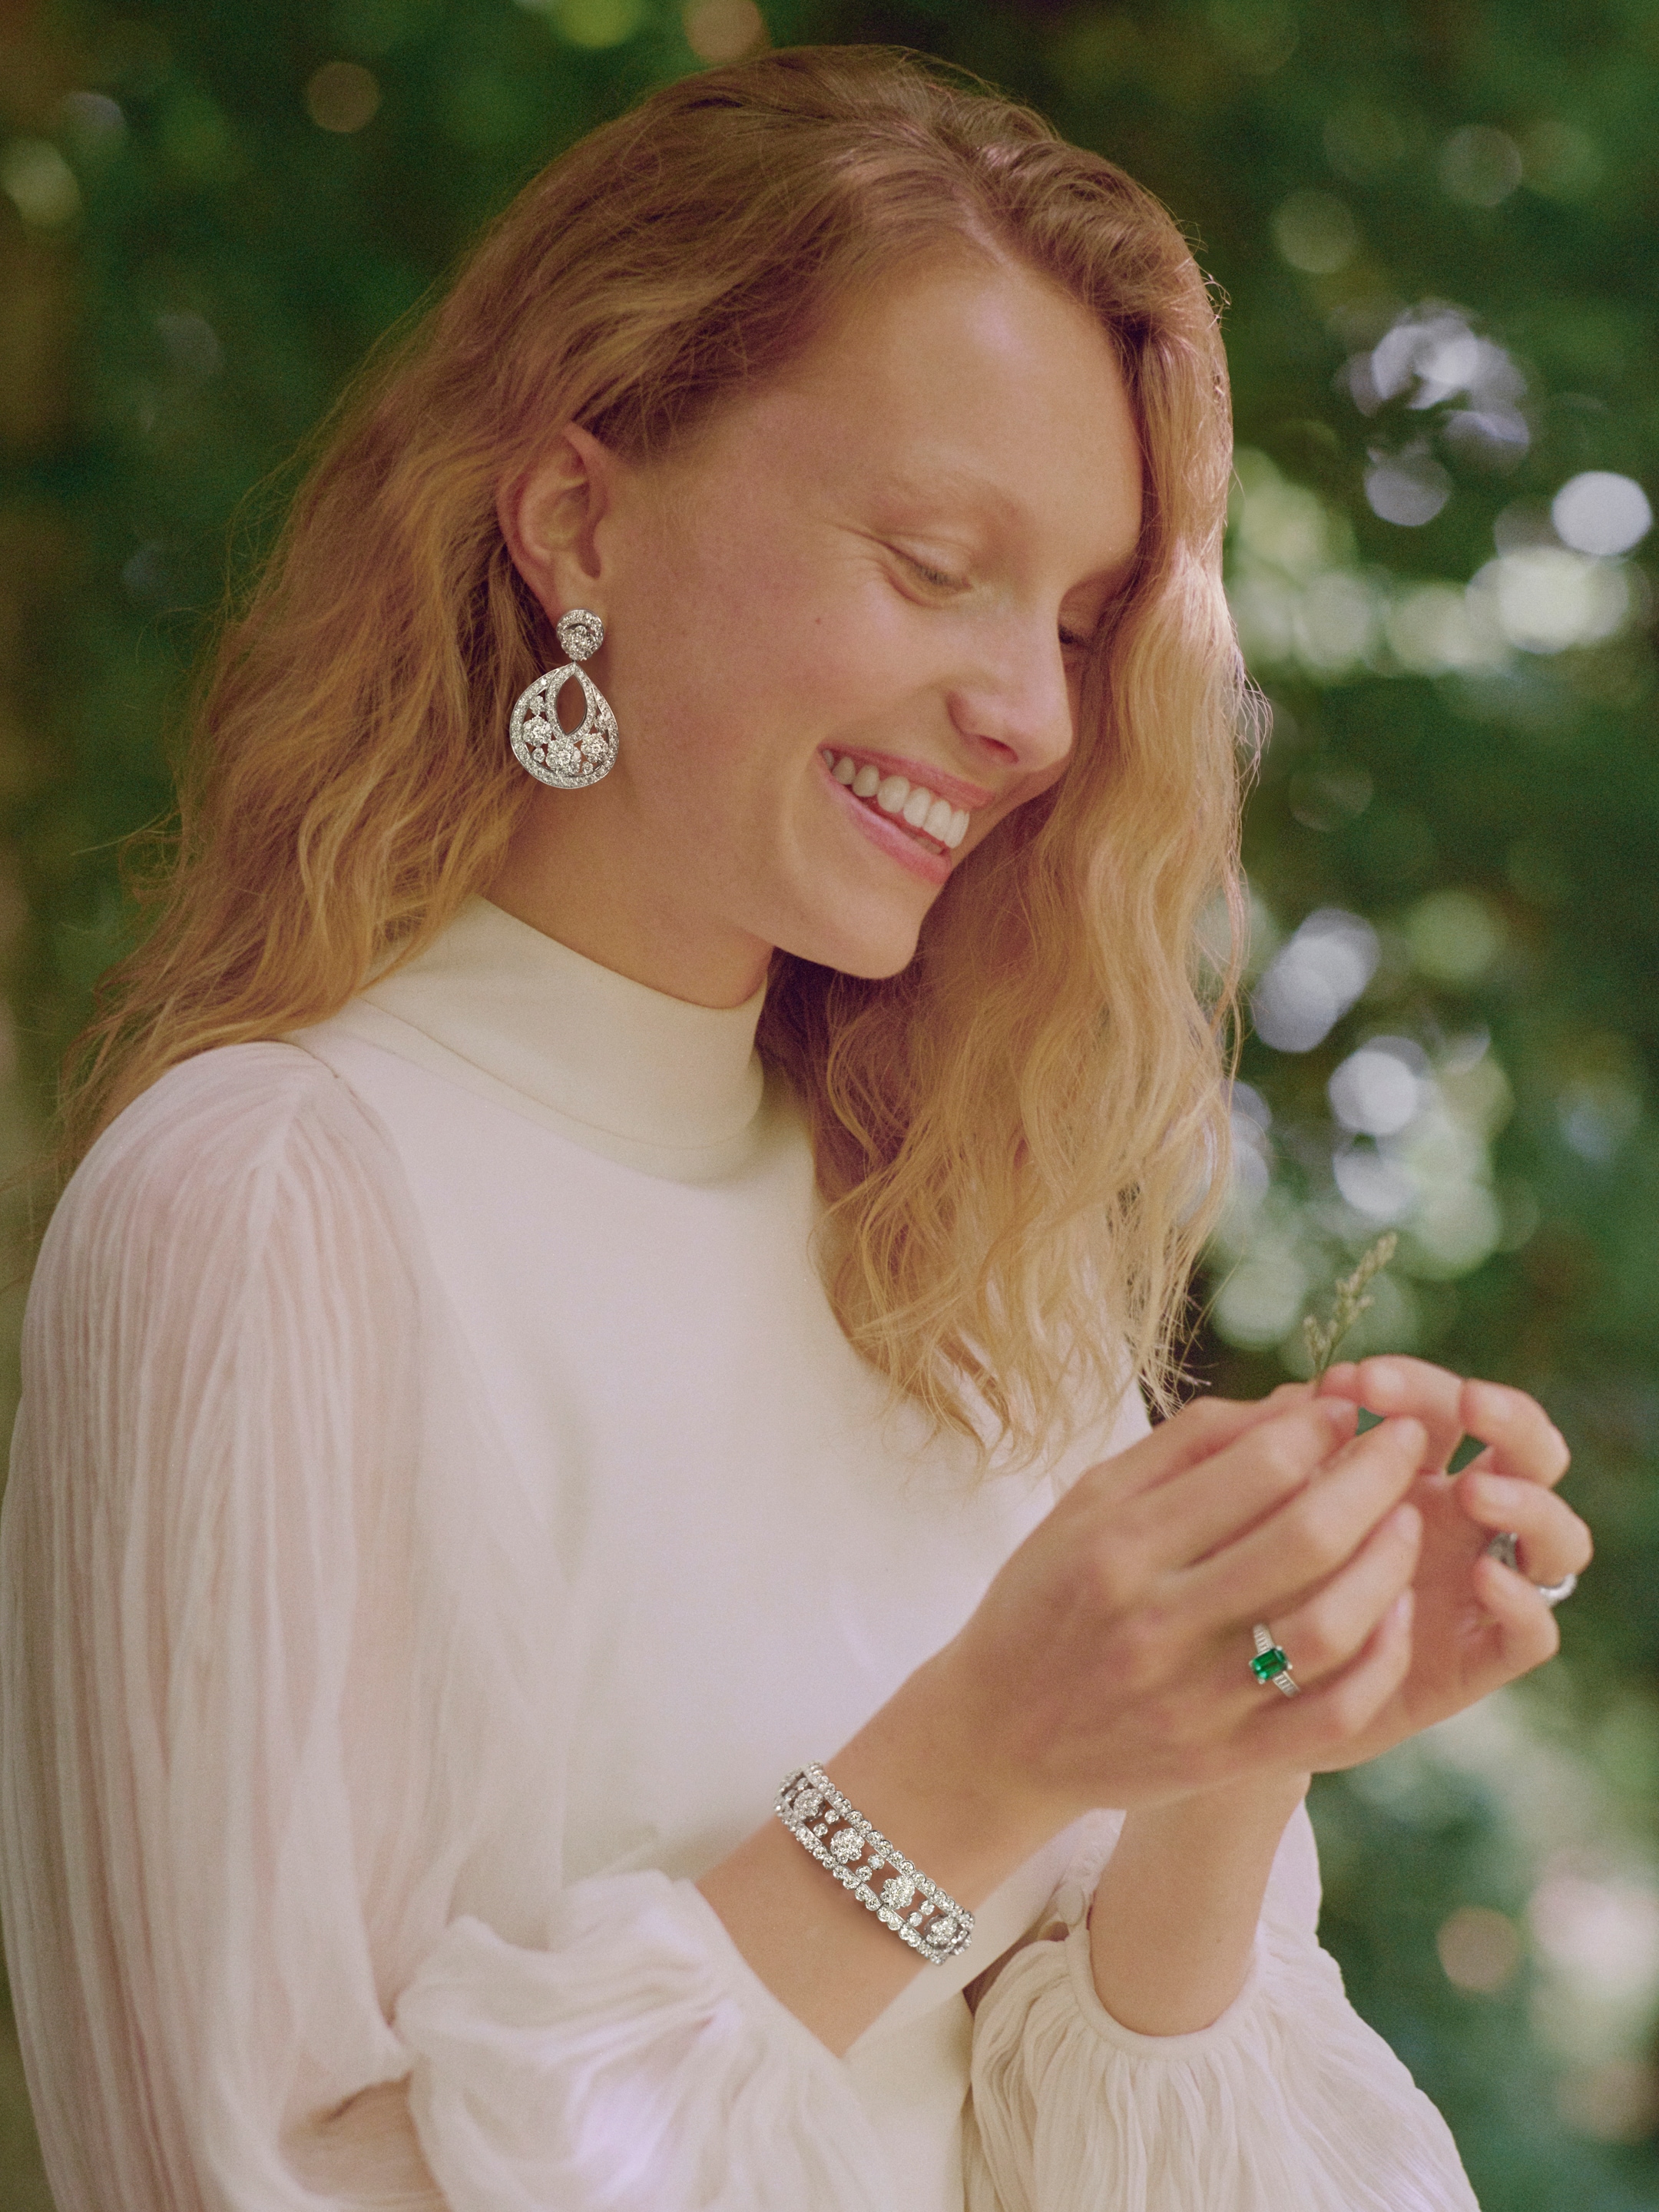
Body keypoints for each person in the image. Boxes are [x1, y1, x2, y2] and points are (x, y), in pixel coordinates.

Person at [0, 43, 1591, 2212]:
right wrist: (976, 1761)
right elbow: (238, 2179)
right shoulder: (273, 1209)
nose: (1030, 714)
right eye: (936, 566)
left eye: (1079, 623)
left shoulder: (970, 1267)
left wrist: (1247, 1727)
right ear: (580, 517)